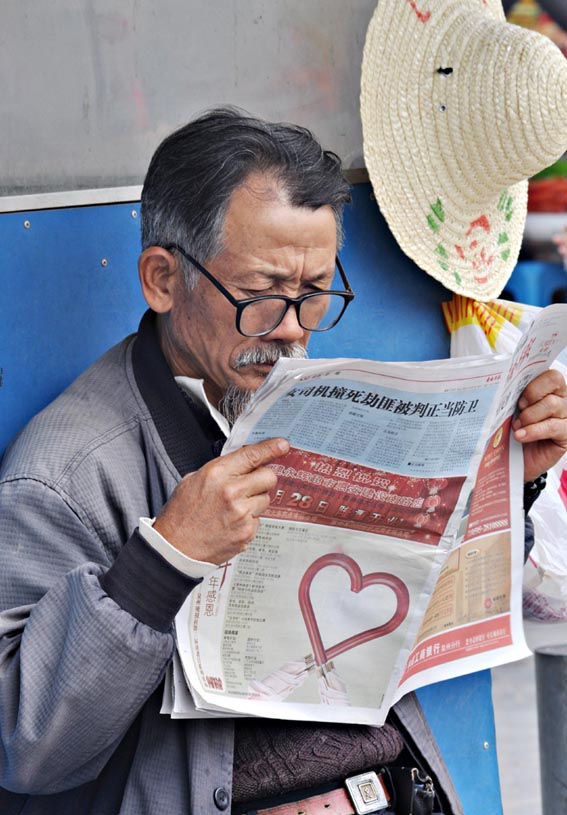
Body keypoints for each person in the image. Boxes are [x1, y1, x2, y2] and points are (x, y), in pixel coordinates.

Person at [1, 107, 566, 815]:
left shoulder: (318, 399)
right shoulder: (65, 473)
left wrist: (507, 480)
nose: (293, 329)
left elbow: (413, 614)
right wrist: (163, 560)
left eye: (315, 293)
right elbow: (26, 746)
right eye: (263, 295)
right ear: (162, 279)